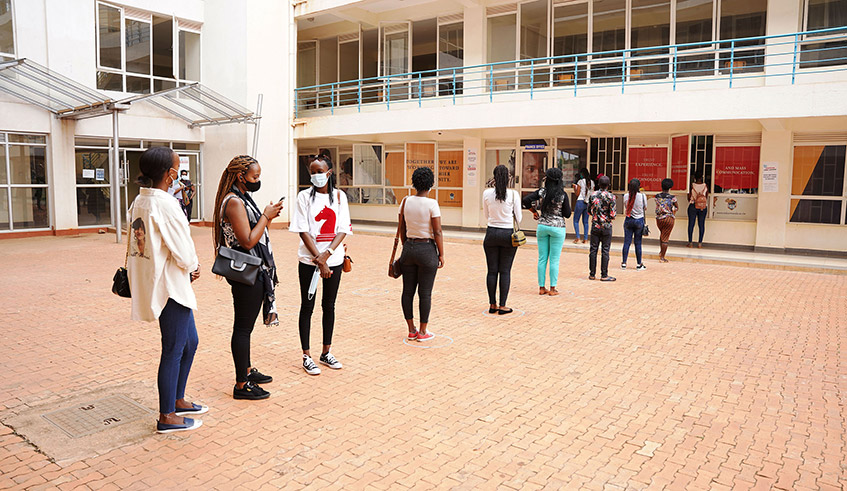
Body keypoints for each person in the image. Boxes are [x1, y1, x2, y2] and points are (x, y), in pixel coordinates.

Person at [127, 146, 205, 433]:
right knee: (173, 348)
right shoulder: (165, 204)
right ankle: (166, 416)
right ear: (171, 174)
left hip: (166, 281)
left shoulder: (141, 201)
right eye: (177, 167)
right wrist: (194, 266)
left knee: (190, 342)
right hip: (171, 284)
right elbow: (183, 252)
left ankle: (178, 398)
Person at [213, 155, 283, 400]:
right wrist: (266, 215)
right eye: (255, 177)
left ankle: (247, 369)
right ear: (240, 176)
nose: (258, 180)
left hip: (255, 269)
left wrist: (266, 218)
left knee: (246, 327)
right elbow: (248, 240)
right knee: (242, 328)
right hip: (246, 272)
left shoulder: (243, 197)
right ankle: (241, 385)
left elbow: (257, 234)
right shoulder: (233, 202)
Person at [290, 156, 352, 375]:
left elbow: (343, 228)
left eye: (320, 170)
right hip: (309, 261)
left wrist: (327, 255)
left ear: (329, 172)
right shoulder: (304, 197)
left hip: (333, 260)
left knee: (329, 305)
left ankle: (326, 352)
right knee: (307, 307)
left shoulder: (339, 196)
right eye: (312, 171)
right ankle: (306, 356)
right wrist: (318, 257)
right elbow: (302, 229)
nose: (316, 174)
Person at [397, 167, 444, 341]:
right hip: (427, 250)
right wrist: (441, 254)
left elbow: (402, 227)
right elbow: (437, 232)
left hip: (409, 247)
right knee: (425, 292)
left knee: (407, 291)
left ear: (414, 182)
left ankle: (411, 329)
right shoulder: (432, 204)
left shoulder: (405, 201)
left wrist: (406, 245)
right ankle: (423, 332)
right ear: (430, 184)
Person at [522, 167, 571, 296]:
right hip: (558, 228)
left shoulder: (542, 192)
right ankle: (553, 288)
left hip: (542, 226)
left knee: (542, 258)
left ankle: (542, 288)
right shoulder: (562, 195)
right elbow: (567, 214)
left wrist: (534, 211)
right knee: (554, 259)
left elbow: (526, 200)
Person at [482, 165, 521, 314]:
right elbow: (519, 217)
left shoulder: (486, 193)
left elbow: (486, 215)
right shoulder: (513, 194)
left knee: (492, 271)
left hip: (491, 233)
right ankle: (503, 305)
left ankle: (492, 304)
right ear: (508, 178)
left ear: (494, 176)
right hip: (507, 234)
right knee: (505, 271)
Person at [588, 175, 616, 281]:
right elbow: (613, 214)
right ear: (608, 185)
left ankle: (592, 274)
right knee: (605, 250)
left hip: (595, 225)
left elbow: (589, 211)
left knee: (593, 250)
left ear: (598, 184)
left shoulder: (593, 195)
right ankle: (604, 275)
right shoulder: (611, 197)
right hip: (606, 226)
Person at [621, 178, 648, 271]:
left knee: (626, 242)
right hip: (639, 221)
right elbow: (645, 208)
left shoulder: (625, 196)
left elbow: (626, 206)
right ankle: (639, 264)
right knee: (638, 243)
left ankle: (624, 263)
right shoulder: (642, 196)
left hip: (628, 220)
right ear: (639, 187)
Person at [654, 178, 679, 263]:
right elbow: (676, 207)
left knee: (662, 235)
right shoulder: (672, 198)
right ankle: (662, 257)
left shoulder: (657, 196)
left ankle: (661, 252)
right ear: (670, 187)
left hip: (659, 219)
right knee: (665, 238)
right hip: (668, 218)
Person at [687, 172, 709, 248]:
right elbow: (706, 197)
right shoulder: (705, 186)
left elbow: (688, 197)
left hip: (693, 206)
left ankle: (690, 243)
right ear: (702, 177)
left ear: (694, 177)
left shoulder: (691, 186)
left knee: (691, 224)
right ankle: (700, 243)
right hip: (702, 207)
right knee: (701, 225)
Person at [572, 167, 593, 244]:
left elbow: (577, 194)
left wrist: (575, 188)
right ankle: (586, 239)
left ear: (582, 174)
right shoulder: (592, 182)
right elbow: (592, 194)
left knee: (576, 220)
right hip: (587, 203)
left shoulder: (580, 181)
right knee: (586, 222)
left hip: (580, 201)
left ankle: (577, 238)